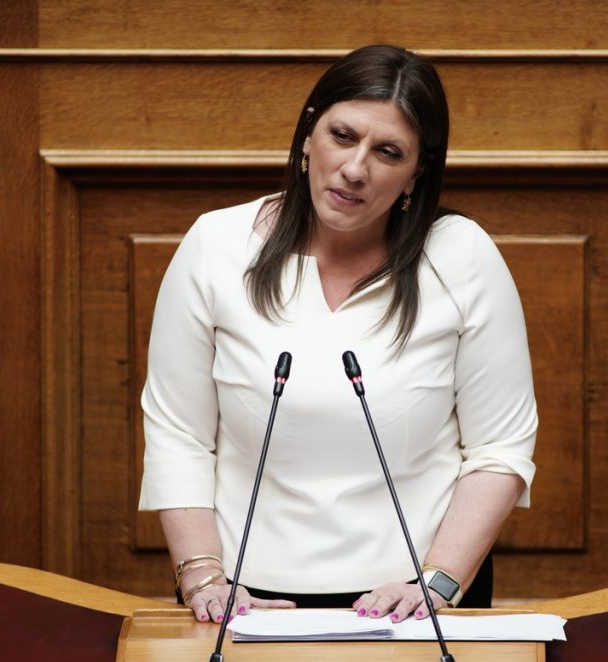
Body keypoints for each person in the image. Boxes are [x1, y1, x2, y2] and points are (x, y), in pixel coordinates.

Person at [138, 45, 537, 625]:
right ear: (308, 135)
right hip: (242, 600)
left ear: (417, 171)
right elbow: (178, 433)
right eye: (342, 136)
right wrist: (202, 577)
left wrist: (438, 583)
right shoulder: (216, 245)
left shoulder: (461, 256)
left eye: (388, 152)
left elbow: (500, 448)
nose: (355, 168)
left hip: (418, 602)